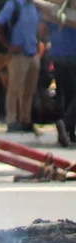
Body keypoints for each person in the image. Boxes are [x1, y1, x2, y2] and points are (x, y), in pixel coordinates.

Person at [0, 0, 46, 133]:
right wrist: (8, 46)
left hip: (32, 53)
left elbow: (39, 27)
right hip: (18, 54)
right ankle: (11, 120)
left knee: (29, 89)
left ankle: (26, 119)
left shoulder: (34, 6)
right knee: (14, 88)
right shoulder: (14, 5)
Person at [49, 19, 76, 147]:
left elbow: (42, 28)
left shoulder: (56, 8)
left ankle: (70, 133)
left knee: (68, 92)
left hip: (57, 56)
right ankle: (66, 123)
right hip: (73, 55)